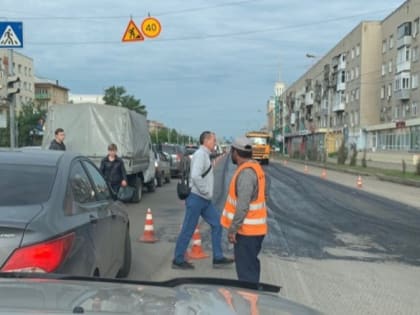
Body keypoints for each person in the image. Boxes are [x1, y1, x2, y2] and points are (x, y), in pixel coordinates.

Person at [172, 131, 234, 269]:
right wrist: (205, 191)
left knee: (217, 224)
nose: (215, 142)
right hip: (196, 198)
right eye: (213, 140)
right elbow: (195, 176)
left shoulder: (205, 155)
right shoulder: (200, 155)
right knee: (188, 229)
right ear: (206, 141)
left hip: (204, 200)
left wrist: (206, 194)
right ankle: (178, 259)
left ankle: (218, 258)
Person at [220, 136, 267, 284]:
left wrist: (233, 229)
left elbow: (242, 206)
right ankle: (251, 302)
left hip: (247, 233)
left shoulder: (246, 173)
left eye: (231, 151)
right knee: (250, 268)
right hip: (254, 232)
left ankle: (248, 303)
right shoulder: (255, 168)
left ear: (235, 152)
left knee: (246, 275)